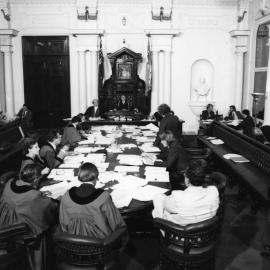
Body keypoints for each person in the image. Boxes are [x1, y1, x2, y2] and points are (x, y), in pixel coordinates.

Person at [0, 164, 58, 270]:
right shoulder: (33, 196)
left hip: (4, 221)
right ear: (36, 179)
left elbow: (21, 201)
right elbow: (49, 210)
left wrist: (38, 193)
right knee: (49, 226)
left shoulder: (10, 182)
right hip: (21, 229)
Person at [59, 162, 126, 238]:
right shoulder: (103, 197)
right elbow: (116, 223)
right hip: (100, 244)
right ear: (96, 177)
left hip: (72, 242)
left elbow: (63, 223)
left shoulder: (67, 195)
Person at [152, 160, 220, 226]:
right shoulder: (214, 190)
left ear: (187, 179)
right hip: (204, 232)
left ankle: (158, 225)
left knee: (158, 200)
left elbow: (168, 207)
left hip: (179, 233)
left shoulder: (178, 196)